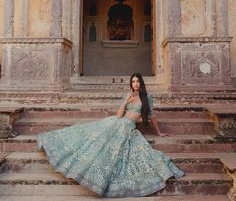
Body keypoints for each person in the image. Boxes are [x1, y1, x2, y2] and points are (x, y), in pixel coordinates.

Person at [37, 73, 184, 198]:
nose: (135, 83)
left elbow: (152, 116)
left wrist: (159, 132)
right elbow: (119, 115)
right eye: (133, 81)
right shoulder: (127, 96)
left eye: (138, 81)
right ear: (131, 84)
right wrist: (126, 100)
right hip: (117, 123)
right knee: (95, 141)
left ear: (141, 83)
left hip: (128, 128)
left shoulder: (147, 97)